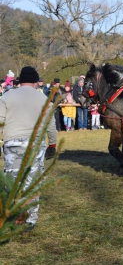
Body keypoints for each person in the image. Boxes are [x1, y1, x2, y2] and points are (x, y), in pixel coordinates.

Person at [0, 66, 57, 231]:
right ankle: (30, 220)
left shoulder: (6, 96)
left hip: (12, 145)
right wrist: (52, 144)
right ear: (35, 82)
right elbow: (51, 125)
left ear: (20, 79)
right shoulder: (43, 99)